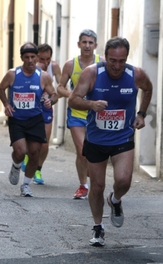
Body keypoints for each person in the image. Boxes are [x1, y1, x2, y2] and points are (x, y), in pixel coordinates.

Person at [68, 37, 153, 246]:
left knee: (123, 181)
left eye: (121, 61)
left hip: (122, 137)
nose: (116, 66)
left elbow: (148, 89)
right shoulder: (92, 73)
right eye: (112, 61)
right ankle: (98, 228)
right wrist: (91, 104)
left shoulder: (136, 74)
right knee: (97, 186)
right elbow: (73, 99)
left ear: (126, 59)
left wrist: (141, 114)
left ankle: (115, 200)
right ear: (105, 57)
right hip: (96, 139)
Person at [0, 42, 58, 197]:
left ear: (36, 57)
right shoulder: (13, 74)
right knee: (20, 151)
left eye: (33, 57)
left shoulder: (43, 76)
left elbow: (54, 94)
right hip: (17, 119)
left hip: (35, 119)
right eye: (27, 57)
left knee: (35, 153)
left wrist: (50, 101)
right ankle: (16, 166)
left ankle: (25, 185)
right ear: (22, 58)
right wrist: (6, 103)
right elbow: (0, 88)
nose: (30, 60)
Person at [57, 29, 104, 199]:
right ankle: (83, 186)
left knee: (95, 152)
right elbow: (60, 86)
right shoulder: (71, 64)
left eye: (90, 42)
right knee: (82, 150)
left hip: (96, 113)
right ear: (78, 44)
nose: (87, 45)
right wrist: (72, 95)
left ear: (96, 46)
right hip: (77, 112)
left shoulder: (102, 63)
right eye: (84, 42)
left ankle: (94, 178)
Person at [21, 43, 62, 185]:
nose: (45, 62)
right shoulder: (30, 68)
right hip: (30, 107)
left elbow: (60, 88)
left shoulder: (54, 67)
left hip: (45, 108)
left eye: (48, 59)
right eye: (42, 59)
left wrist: (52, 100)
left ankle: (38, 168)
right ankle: (27, 157)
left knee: (44, 143)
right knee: (29, 140)